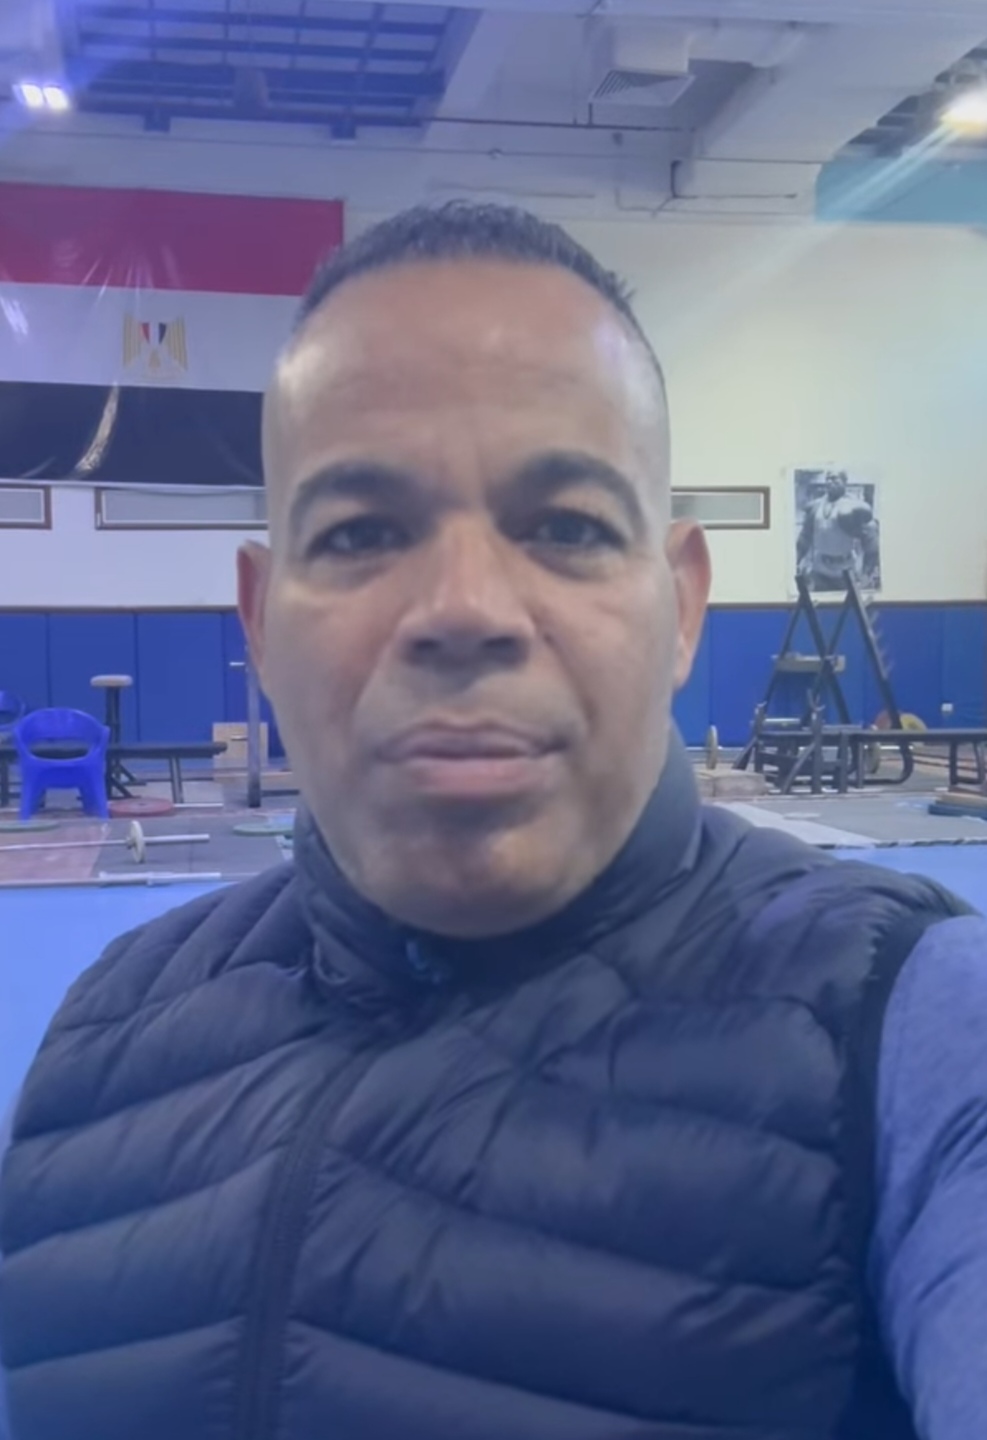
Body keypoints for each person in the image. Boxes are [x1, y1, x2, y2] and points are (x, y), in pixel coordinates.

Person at [0, 203, 985, 1440]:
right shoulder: (100, 1044)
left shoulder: (904, 1024)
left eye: (566, 527)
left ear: (682, 607)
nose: (464, 610)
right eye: (361, 533)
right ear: (259, 620)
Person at [796, 469, 879, 591]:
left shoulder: (855, 506)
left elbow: (871, 543)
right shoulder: (815, 506)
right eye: (828, 479)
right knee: (821, 601)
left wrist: (867, 573)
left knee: (847, 601)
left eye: (834, 478)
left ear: (844, 482)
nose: (830, 482)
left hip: (846, 571)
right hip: (819, 570)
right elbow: (805, 537)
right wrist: (796, 562)